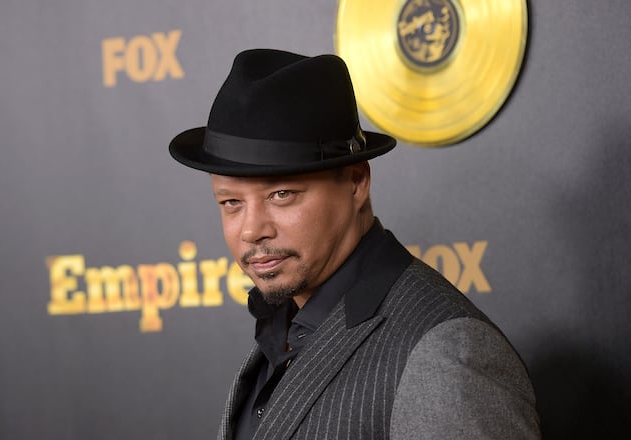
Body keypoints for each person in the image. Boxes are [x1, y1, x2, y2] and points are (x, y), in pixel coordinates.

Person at [169, 49, 540, 440]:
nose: (251, 230)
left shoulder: (445, 354)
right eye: (231, 203)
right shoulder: (283, 326)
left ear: (356, 183)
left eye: (281, 195)